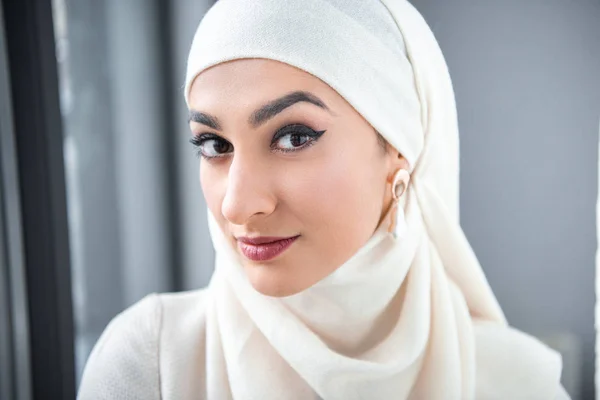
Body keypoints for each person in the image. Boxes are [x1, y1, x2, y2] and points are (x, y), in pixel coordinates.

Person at [77, 0, 570, 399]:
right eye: (214, 145)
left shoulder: (517, 385)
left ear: (397, 153)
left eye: (293, 137)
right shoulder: (152, 363)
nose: (236, 205)